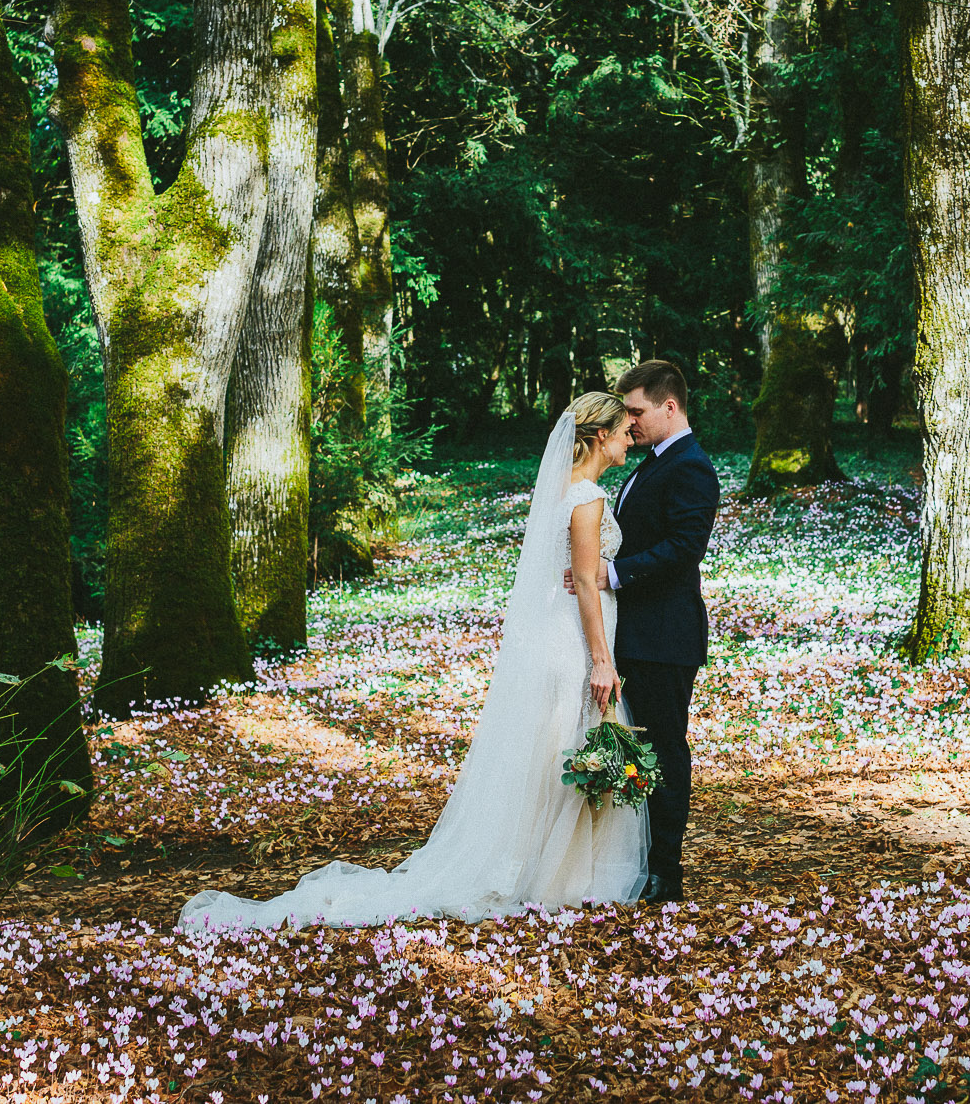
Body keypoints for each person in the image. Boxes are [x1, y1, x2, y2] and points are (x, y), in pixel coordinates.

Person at [178, 393, 648, 931]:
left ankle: (545, 869)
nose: (628, 440)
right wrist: (602, 660)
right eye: (621, 432)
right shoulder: (585, 496)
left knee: (554, 751)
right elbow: (586, 582)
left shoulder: (563, 492)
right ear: (597, 437)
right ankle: (556, 879)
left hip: (555, 631)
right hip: (572, 639)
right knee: (565, 747)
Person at [567, 359, 719, 904]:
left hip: (664, 637)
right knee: (635, 751)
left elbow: (684, 549)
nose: (628, 423)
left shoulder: (692, 467)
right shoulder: (649, 462)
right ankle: (632, 860)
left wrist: (609, 574)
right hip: (633, 633)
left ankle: (665, 872)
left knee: (665, 753)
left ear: (669, 406)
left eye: (636, 411)